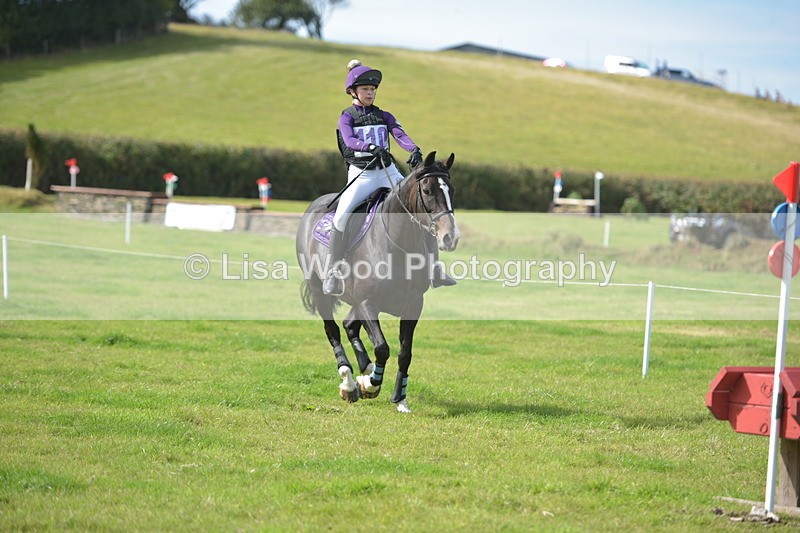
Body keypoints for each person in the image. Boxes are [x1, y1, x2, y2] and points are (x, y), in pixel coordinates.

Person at [323, 59, 456, 296]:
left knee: (420, 209)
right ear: (353, 92)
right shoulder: (347, 116)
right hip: (362, 173)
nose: (370, 93)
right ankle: (334, 271)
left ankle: (435, 268)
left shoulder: (384, 115)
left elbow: (399, 134)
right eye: (365, 89)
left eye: (373, 90)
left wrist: (413, 149)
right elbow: (350, 141)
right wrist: (371, 147)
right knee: (341, 216)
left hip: (388, 171)